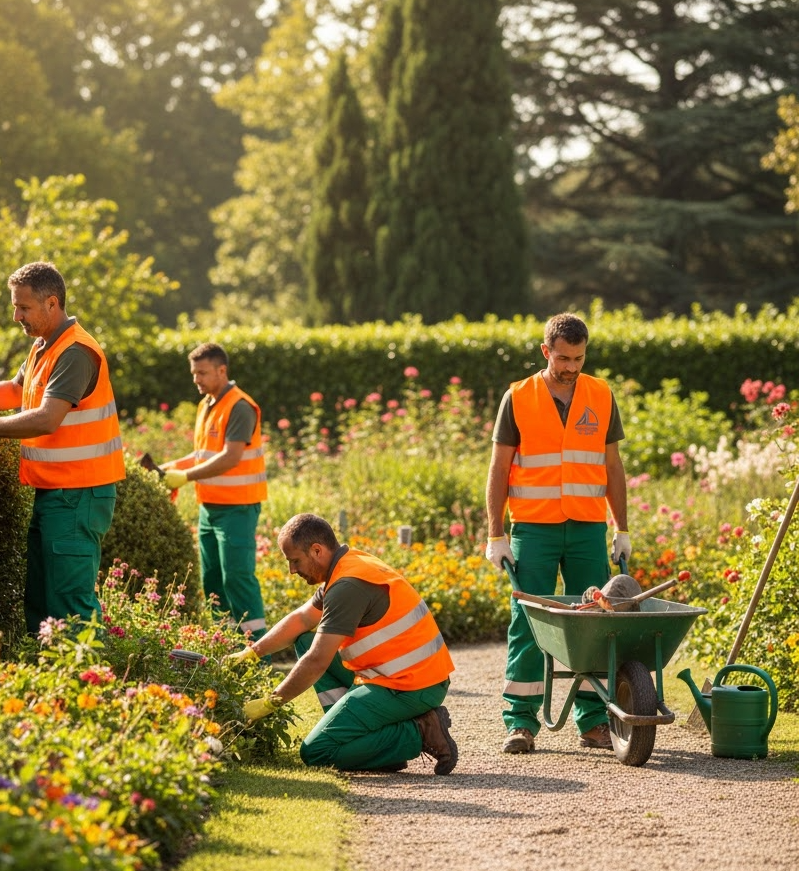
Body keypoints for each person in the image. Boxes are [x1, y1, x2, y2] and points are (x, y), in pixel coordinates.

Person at [0, 261, 125, 636]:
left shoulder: (75, 352)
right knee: (41, 599)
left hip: (78, 494)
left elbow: (46, 418)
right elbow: (16, 390)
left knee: (70, 603)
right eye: (15, 306)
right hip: (56, 491)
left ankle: (90, 687)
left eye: (23, 307)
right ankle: (50, 680)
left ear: (52, 304)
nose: (15, 316)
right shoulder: (44, 346)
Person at [485, 312, 629, 754]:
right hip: (533, 527)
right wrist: (495, 534)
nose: (571, 366)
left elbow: (612, 467)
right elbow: (499, 468)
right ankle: (520, 722)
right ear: (546, 351)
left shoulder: (601, 395)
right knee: (527, 621)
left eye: (579, 358)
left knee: (595, 622)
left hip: (586, 526)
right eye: (563, 358)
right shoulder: (517, 397)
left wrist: (622, 528)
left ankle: (592, 722)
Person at [229, 513, 458, 775]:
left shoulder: (349, 586)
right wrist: (251, 653)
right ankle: (370, 747)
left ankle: (421, 730)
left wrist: (270, 703)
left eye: (295, 561)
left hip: (411, 685)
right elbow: (302, 619)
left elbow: (317, 662)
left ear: (317, 550)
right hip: (400, 676)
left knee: (317, 751)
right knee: (305, 640)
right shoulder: (347, 566)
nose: (292, 570)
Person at [159, 343, 268, 643]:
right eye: (194, 374)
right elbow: (201, 455)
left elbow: (231, 457)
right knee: (213, 581)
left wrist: (185, 477)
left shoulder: (240, 406)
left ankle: (258, 652)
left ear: (222, 370)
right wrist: (168, 468)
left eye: (203, 373)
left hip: (238, 508)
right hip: (209, 508)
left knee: (237, 579)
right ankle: (226, 646)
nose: (197, 379)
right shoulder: (207, 404)